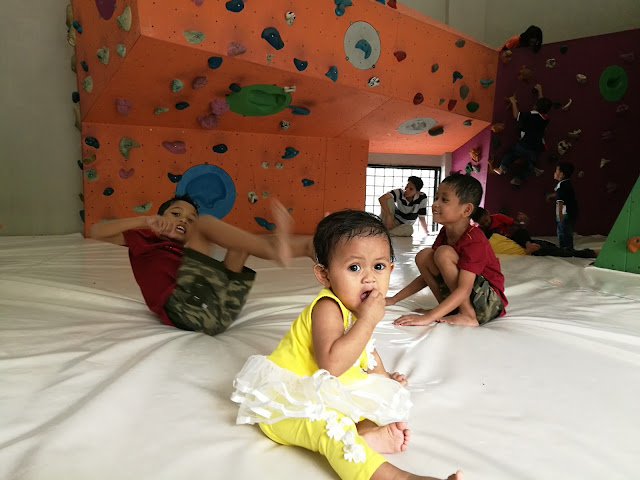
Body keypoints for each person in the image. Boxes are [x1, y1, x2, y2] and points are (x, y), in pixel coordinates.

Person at [231, 210, 464, 480]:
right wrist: (367, 320)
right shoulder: (327, 307)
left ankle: (366, 435)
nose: (369, 278)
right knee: (333, 427)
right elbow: (331, 365)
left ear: (391, 270)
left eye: (378, 267)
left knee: (373, 406)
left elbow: (367, 349)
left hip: (323, 391)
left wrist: (385, 378)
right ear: (325, 275)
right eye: (354, 267)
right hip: (289, 403)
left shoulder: (355, 309)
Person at [89, 194, 314, 336]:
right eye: (176, 214)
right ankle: (278, 250)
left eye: (190, 220)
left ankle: (309, 247)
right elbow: (96, 231)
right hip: (185, 310)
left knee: (241, 244)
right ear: (160, 217)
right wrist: (144, 220)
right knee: (206, 223)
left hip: (219, 314)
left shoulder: (187, 256)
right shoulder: (145, 239)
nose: (183, 220)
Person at [387, 173, 507, 327]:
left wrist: (428, 317)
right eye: (436, 198)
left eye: (444, 200)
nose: (435, 204)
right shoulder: (445, 233)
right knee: (424, 256)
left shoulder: (474, 239)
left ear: (466, 210)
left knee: (443, 253)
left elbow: (464, 289)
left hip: (490, 303)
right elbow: (427, 275)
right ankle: (449, 310)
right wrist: (394, 299)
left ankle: (467, 315)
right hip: (470, 297)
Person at [472, 206, 597, 258]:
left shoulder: (498, 217)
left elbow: (519, 226)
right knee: (546, 248)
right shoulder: (481, 231)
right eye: (483, 223)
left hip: (518, 240)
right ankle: (586, 253)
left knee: (527, 235)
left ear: (488, 213)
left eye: (487, 220)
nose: (486, 224)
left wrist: (524, 221)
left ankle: (529, 245)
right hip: (510, 244)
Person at [493, 84, 552, 186]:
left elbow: (516, 115)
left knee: (511, 153)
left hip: (524, 144)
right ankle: (518, 178)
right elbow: (542, 104)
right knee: (530, 165)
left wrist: (513, 102)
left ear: (535, 106)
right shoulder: (546, 119)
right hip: (536, 148)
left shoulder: (530, 115)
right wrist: (540, 91)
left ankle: (502, 168)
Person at [546, 162, 578, 250]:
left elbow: (560, 200)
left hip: (565, 214)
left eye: (556, 171)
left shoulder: (561, 185)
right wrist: (551, 196)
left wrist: (559, 214)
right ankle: (569, 248)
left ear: (561, 174)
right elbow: (562, 194)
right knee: (568, 232)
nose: (554, 173)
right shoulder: (567, 183)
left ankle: (565, 249)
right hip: (572, 212)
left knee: (563, 232)